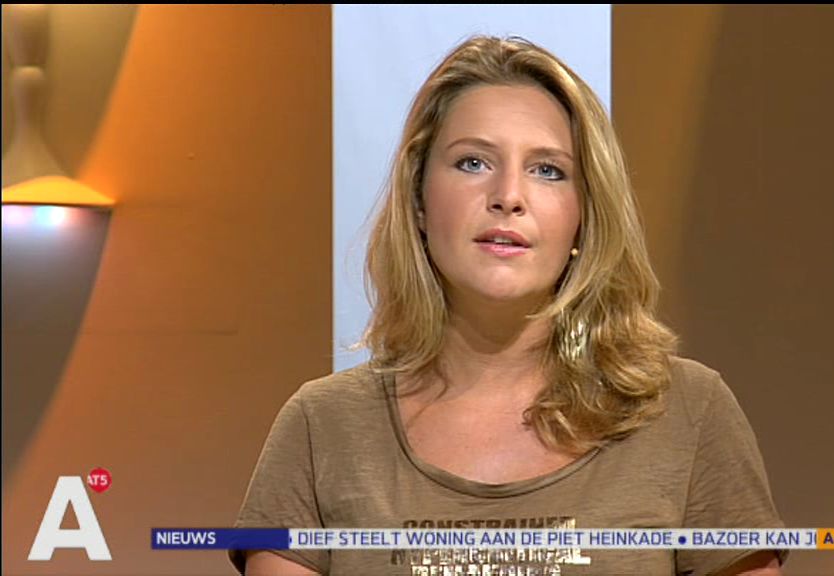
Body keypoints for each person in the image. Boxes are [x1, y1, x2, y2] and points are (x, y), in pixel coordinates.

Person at [229, 35, 786, 576]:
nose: (508, 196)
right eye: (473, 162)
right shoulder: (321, 426)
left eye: (548, 170)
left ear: (584, 216)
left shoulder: (689, 412)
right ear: (419, 199)